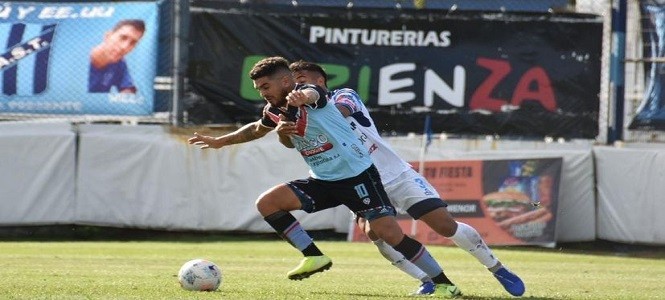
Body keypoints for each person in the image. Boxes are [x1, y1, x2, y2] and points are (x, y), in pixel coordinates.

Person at [188, 56, 462, 298]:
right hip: (323, 180)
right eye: (259, 89)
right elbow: (257, 130)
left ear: (286, 81)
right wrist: (220, 142)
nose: (262, 94)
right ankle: (314, 256)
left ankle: (444, 284)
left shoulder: (311, 94)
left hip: (358, 176)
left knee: (390, 234)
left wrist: (302, 96)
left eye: (265, 87)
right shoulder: (275, 110)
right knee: (268, 203)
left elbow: (312, 93)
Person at [285, 60, 525, 297]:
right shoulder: (300, 116)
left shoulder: (343, 96)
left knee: (444, 225)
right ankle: (428, 280)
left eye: (302, 83)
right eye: (293, 86)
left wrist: (308, 105)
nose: (297, 90)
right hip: (359, 180)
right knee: (376, 234)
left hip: (395, 174)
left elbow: (339, 112)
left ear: (319, 82)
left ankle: (497, 268)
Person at [88, 19, 145, 93]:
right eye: (123, 38)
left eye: (133, 43)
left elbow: (128, 89)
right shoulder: (79, 60)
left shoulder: (119, 63)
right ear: (107, 36)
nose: (124, 47)